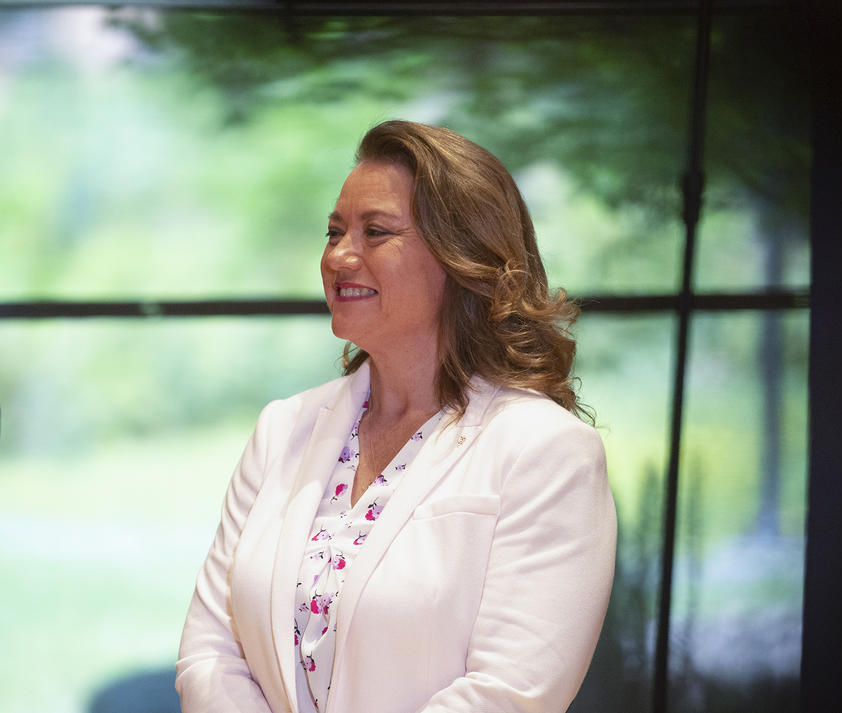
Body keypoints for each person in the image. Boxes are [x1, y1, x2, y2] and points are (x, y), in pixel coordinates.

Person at [175, 120, 616, 713]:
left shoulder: (547, 452)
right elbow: (210, 654)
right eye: (334, 232)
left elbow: (510, 696)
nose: (338, 256)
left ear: (462, 257)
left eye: (375, 232)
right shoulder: (281, 429)